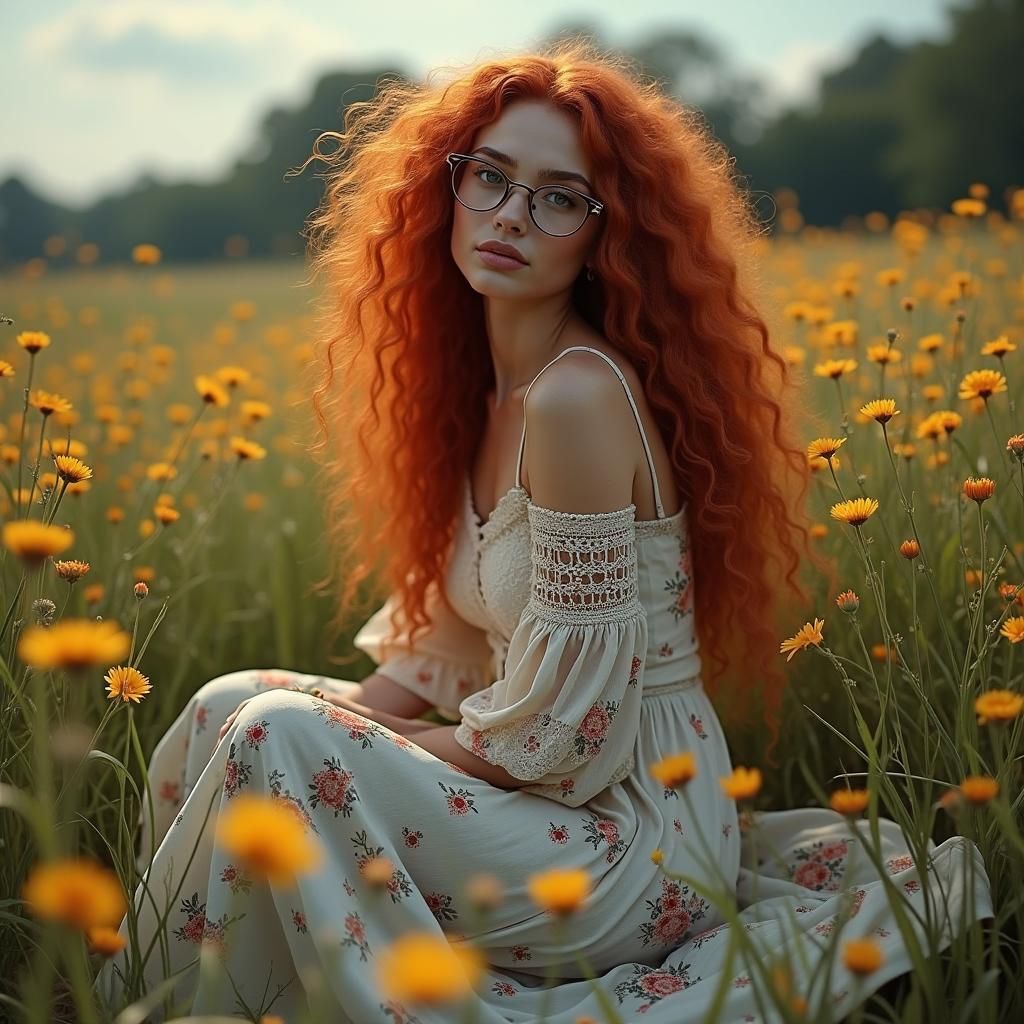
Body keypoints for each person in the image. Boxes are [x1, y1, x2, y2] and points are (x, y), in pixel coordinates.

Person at [96, 41, 993, 1023]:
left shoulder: (574, 398)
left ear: (611, 235)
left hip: (629, 836)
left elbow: (571, 739)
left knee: (276, 732)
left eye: (559, 196)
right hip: (539, 791)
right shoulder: (483, 394)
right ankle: (161, 999)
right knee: (226, 704)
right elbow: (443, 641)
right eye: (489, 177)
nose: (511, 215)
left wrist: (343, 740)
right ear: (450, 188)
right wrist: (341, 723)